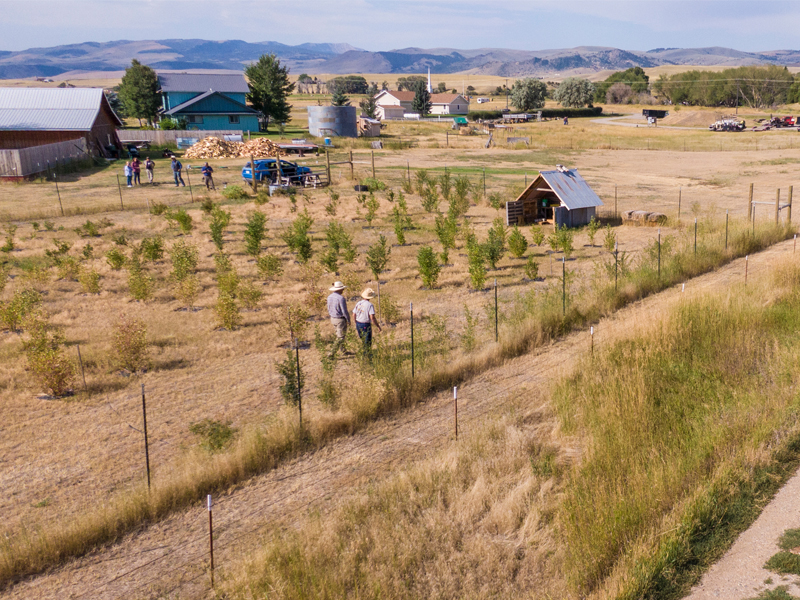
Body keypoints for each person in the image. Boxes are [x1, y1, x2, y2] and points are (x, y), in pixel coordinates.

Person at [353, 288, 382, 355]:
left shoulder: (359, 303)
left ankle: (364, 352)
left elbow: (353, 314)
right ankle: (367, 355)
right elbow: (372, 317)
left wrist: (355, 322)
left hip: (358, 323)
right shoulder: (369, 305)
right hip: (365, 324)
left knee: (362, 339)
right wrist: (378, 326)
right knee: (367, 340)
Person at [326, 281, 351, 356]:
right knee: (340, 337)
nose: (343, 290)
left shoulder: (329, 297)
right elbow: (344, 311)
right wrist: (348, 320)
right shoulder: (341, 298)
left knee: (339, 335)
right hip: (340, 319)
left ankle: (343, 350)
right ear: (339, 289)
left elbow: (328, 308)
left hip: (333, 318)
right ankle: (331, 353)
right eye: (342, 289)